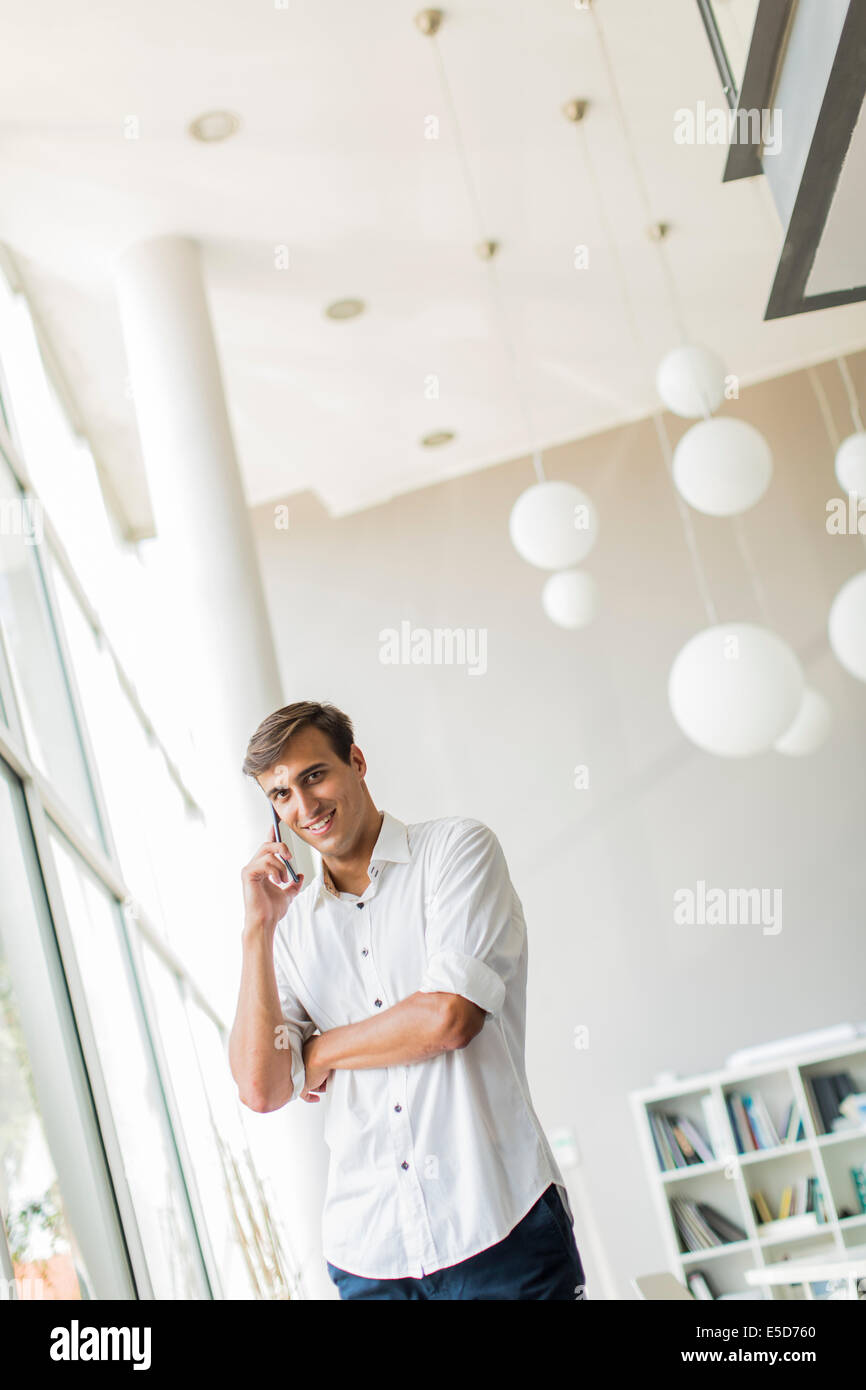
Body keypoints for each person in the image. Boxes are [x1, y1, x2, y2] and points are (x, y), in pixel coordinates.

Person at [229, 700, 586, 1301]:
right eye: (282, 794)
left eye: (315, 775)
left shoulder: (455, 852)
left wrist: (317, 1053)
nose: (305, 807)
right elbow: (262, 1088)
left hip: (501, 1224)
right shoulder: (288, 935)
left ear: (356, 762)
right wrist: (257, 930)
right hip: (370, 1254)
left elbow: (447, 1017)